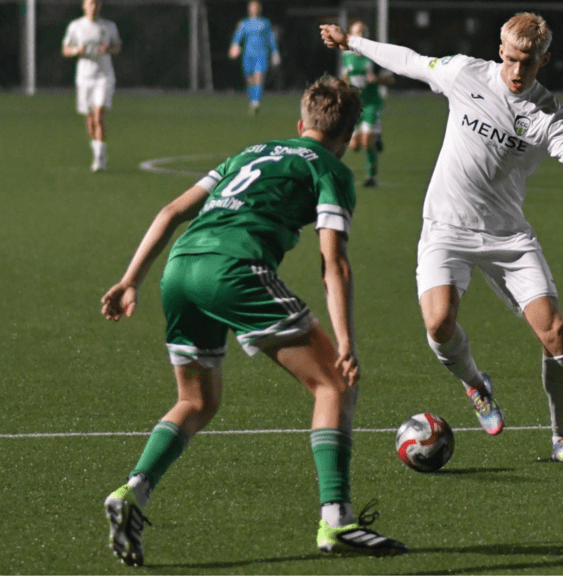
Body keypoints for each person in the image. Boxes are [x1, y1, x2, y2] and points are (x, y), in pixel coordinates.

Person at [99, 75, 407, 566]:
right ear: (348, 138)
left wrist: (130, 279)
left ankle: (133, 491)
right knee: (334, 384)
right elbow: (334, 263)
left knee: (196, 400)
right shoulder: (330, 169)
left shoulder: (249, 153)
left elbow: (172, 210)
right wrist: (346, 341)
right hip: (234, 270)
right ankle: (337, 519)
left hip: (179, 269)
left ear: (300, 124)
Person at [321, 13, 563, 467]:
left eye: (529, 62)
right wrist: (352, 42)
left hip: (508, 237)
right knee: (439, 325)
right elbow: (409, 61)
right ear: (501, 51)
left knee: (555, 332)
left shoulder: (549, 115)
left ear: (544, 60)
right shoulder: (465, 73)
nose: (518, 71)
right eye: (512, 59)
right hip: (445, 227)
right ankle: (476, 385)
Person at [61, 0, 121, 172]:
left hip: (104, 77)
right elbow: (65, 49)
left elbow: (117, 47)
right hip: (84, 78)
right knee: (90, 120)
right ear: (84, 6)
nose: (93, 8)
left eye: (96, 4)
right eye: (90, 4)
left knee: (99, 114)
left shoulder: (109, 26)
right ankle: (97, 150)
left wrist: (109, 50)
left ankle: (99, 158)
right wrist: (76, 51)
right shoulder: (76, 26)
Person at [341, 20, 394, 188]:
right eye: (357, 32)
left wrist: (376, 79)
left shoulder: (375, 55)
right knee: (354, 146)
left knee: (366, 142)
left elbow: (391, 79)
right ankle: (375, 136)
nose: (360, 35)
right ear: (350, 35)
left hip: (371, 104)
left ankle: (372, 177)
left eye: (363, 32)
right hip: (354, 106)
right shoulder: (346, 56)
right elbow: (344, 77)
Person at [229, 0, 280, 114]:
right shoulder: (244, 23)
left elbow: (271, 38)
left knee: (259, 77)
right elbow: (238, 36)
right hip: (248, 55)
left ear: (259, 9)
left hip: (261, 54)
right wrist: (234, 46)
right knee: (250, 79)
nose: (254, 9)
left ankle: (256, 102)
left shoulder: (265, 23)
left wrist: (275, 52)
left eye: (255, 7)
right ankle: (252, 100)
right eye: (252, 7)